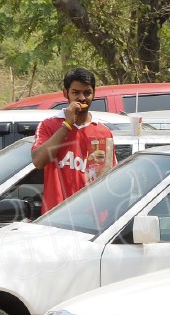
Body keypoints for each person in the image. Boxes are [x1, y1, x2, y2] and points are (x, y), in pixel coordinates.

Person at [31, 67, 116, 210]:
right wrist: (67, 125)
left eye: (87, 93)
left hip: (91, 218)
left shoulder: (103, 132)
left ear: (94, 94)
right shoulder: (48, 125)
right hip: (56, 216)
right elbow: (38, 161)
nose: (82, 98)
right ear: (66, 93)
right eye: (76, 93)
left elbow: (106, 177)